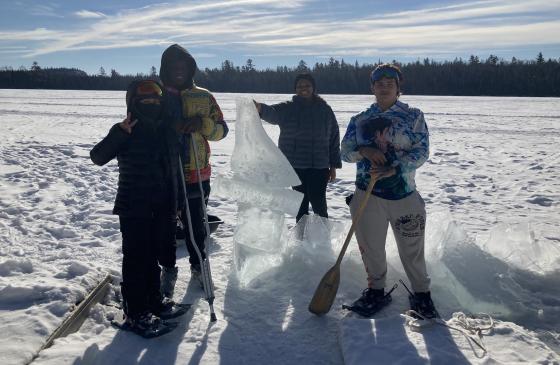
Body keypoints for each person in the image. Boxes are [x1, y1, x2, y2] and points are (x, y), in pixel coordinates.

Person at [340, 63, 438, 319]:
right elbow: (344, 152)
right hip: (367, 194)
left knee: (412, 248)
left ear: (398, 87)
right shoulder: (360, 120)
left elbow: (421, 151)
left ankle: (421, 294)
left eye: (390, 83)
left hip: (403, 194)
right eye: (379, 83)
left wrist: (396, 168)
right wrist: (364, 150)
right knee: (371, 247)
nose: (384, 87)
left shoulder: (413, 117)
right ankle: (376, 291)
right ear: (372, 87)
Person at [90, 80, 182, 336]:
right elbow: (97, 157)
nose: (152, 104)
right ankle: (135, 312)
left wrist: (177, 204)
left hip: (163, 204)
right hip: (134, 205)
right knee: (136, 259)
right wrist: (119, 133)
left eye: (156, 100)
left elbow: (174, 172)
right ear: (133, 103)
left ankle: (153, 301)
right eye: (145, 100)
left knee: (153, 256)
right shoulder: (126, 129)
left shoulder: (166, 130)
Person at [158, 44, 228, 297]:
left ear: (190, 68)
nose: (179, 70)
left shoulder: (203, 95)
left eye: (183, 65)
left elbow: (222, 130)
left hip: (196, 172)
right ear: (165, 68)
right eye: (173, 65)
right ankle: (167, 269)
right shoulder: (156, 94)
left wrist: (203, 124)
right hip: (164, 172)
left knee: (196, 225)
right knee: (164, 227)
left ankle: (200, 266)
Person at [254, 73, 342, 222]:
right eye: (300, 86)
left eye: (307, 85)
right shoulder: (288, 108)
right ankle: (301, 239)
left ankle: (323, 238)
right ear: (295, 89)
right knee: (300, 205)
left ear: (313, 87)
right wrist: (260, 108)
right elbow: (273, 114)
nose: (303, 88)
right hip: (296, 166)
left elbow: (333, 137)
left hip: (319, 167)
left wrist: (333, 165)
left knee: (319, 204)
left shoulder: (325, 110)